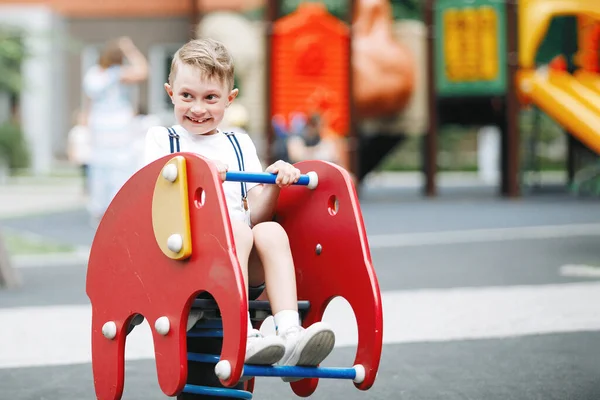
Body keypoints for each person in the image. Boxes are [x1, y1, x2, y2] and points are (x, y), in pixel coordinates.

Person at [142, 38, 335, 370]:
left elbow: (255, 212)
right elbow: (153, 200)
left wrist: (274, 183)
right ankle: (241, 333)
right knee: (239, 233)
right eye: (187, 96)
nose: (198, 108)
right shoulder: (163, 140)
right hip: (185, 262)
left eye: (211, 98)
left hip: (242, 265)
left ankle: (290, 333)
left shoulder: (238, 143)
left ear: (229, 100)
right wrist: (198, 174)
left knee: (270, 230)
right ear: (170, 92)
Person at [82, 36, 148, 225]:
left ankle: (100, 217)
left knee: (99, 179)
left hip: (99, 134)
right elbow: (142, 71)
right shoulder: (116, 74)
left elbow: (88, 105)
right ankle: (117, 217)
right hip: (119, 133)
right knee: (119, 179)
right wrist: (130, 49)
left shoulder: (92, 76)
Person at [66, 108, 91, 196]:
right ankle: (86, 187)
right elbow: (72, 144)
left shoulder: (89, 130)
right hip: (81, 156)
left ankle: (88, 188)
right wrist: (71, 155)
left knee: (89, 172)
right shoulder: (75, 131)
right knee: (85, 173)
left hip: (89, 156)